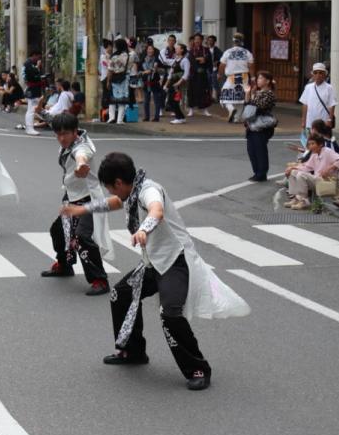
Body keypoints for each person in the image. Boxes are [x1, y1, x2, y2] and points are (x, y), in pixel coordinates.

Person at [61, 152, 250, 390]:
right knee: (120, 295)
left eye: (110, 187)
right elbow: (115, 202)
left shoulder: (149, 190)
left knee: (170, 314)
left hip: (175, 262)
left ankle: (198, 369)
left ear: (118, 182)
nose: (110, 192)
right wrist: (84, 209)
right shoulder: (131, 191)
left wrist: (144, 229)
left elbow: (156, 211)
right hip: (153, 263)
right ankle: (132, 351)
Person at [41, 114, 112, 296]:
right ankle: (64, 266)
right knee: (58, 231)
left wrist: (81, 166)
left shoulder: (82, 146)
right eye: (58, 134)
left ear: (75, 132)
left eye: (65, 134)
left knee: (82, 236)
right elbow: (51, 119)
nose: (61, 138)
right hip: (72, 197)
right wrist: (41, 110)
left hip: (89, 199)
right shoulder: (69, 143)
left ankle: (100, 280)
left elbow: (81, 156)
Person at [281, 131, 339, 209]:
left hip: (324, 180)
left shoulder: (327, 151)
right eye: (310, 144)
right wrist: (292, 168)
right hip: (316, 179)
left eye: (313, 144)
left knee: (301, 175)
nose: (310, 146)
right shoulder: (314, 154)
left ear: (320, 144)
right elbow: (307, 167)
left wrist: (329, 169)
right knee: (293, 173)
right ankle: (295, 199)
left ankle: (304, 201)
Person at [244, 71, 278, 182]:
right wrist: (248, 94)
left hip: (262, 125)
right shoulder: (258, 93)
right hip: (252, 125)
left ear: (267, 81)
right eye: (258, 78)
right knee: (251, 150)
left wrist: (252, 96)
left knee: (260, 150)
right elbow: (247, 106)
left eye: (260, 78)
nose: (258, 81)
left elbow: (260, 106)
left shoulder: (269, 94)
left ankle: (261, 173)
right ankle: (256, 172)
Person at [218, 33, 254, 123]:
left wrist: (219, 74)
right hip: (244, 77)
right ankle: (237, 118)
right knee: (241, 97)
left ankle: (231, 109)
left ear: (233, 41)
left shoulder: (228, 52)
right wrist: (253, 77)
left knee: (225, 94)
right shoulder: (247, 52)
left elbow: (222, 65)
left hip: (232, 77)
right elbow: (250, 66)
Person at [299, 63, 337, 135]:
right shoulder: (308, 87)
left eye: (320, 73)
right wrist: (303, 121)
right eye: (315, 73)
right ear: (313, 75)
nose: (318, 75)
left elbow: (332, 105)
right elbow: (305, 104)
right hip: (310, 122)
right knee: (311, 141)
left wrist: (330, 119)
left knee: (323, 141)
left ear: (324, 74)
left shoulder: (329, 88)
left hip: (324, 122)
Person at [185, 34, 212, 117]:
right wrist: (198, 60)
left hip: (203, 74)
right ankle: (191, 109)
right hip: (193, 74)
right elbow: (190, 60)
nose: (197, 41)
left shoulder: (206, 50)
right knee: (191, 91)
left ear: (201, 40)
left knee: (204, 92)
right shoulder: (191, 50)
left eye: (199, 39)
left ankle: (205, 109)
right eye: (195, 39)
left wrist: (205, 59)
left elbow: (209, 60)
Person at [106, 38, 131, 124]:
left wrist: (108, 81)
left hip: (114, 79)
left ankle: (111, 117)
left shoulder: (113, 56)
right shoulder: (128, 55)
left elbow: (110, 70)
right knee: (122, 100)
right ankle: (120, 119)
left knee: (112, 99)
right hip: (124, 79)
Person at [165, 44, 189, 125]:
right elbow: (170, 73)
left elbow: (186, 74)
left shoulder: (185, 60)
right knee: (171, 100)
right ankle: (181, 117)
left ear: (182, 50)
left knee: (175, 100)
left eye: (178, 48)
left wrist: (178, 83)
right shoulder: (175, 60)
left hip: (179, 83)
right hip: (173, 82)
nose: (176, 49)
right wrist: (166, 84)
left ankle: (178, 118)